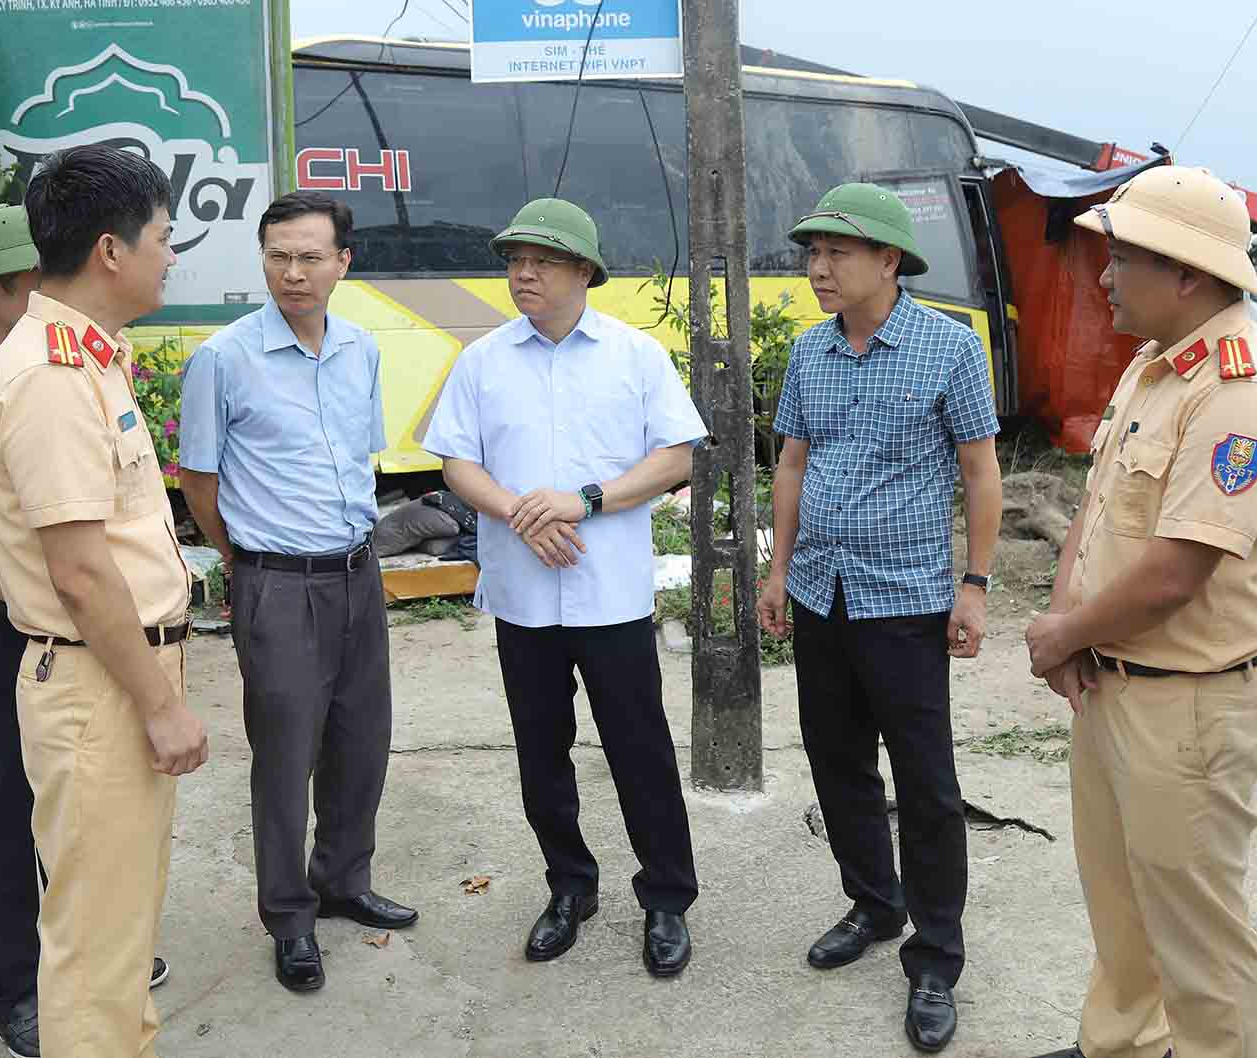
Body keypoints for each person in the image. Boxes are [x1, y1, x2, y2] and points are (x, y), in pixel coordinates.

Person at [1025, 165, 1257, 1058]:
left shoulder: (1242, 391)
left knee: (1199, 942)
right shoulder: (1157, 368)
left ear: (1187, 273)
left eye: (1122, 259)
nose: (1104, 277)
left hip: (1188, 705)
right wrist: (1068, 628)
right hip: (1115, 684)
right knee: (1120, 908)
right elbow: (1097, 508)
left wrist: (1066, 632)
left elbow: (1176, 571)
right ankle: (1121, 1046)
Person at [0, 205, 172, 1058]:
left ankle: (87, 957)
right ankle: (18, 986)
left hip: (62, 625)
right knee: (7, 810)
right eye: (32, 283)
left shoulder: (68, 359)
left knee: (78, 817)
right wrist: (68, 625)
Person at [423, 198, 706, 978]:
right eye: (515, 260)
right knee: (540, 754)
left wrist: (584, 499)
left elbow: (676, 456)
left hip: (609, 594)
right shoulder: (483, 360)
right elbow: (456, 464)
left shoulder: (633, 355)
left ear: (584, 271)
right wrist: (519, 509)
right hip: (522, 597)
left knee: (639, 750)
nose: (523, 273)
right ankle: (569, 885)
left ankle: (666, 901)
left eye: (542, 260)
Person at [0, 144, 208, 1058]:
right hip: (100, 681)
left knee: (123, 922)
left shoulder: (85, 356)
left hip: (118, 668)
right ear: (111, 250)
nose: (171, 255)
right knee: (96, 941)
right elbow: (79, 572)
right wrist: (160, 704)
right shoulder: (52, 377)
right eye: (162, 237)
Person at [756, 183, 1003, 1052]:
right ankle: (875, 901)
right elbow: (791, 465)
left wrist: (974, 582)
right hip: (822, 593)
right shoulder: (809, 352)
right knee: (837, 761)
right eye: (812, 254)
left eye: (837, 254)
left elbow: (980, 470)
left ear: (889, 261)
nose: (817, 269)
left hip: (905, 600)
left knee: (927, 783)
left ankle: (936, 957)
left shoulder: (947, 347)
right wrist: (778, 570)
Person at [178, 190, 416, 995]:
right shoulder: (224, 359)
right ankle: (289, 917)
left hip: (358, 573)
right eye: (279, 255)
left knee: (361, 740)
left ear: (343, 263)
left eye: (311, 255)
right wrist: (244, 560)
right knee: (285, 757)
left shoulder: (360, 348)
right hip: (275, 584)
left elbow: (360, 462)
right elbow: (198, 481)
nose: (294, 271)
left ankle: (343, 881)